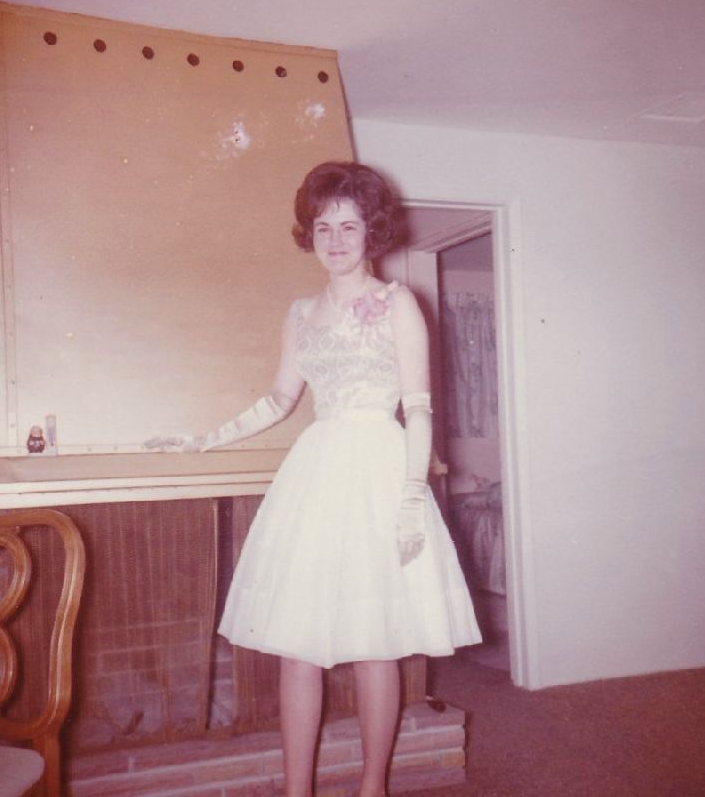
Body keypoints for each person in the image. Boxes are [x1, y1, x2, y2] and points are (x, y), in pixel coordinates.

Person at [147, 161, 482, 797]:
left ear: (371, 231)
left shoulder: (398, 304)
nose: (335, 239)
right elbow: (279, 400)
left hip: (379, 474)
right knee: (297, 645)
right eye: (323, 227)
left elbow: (418, 409)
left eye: (349, 226)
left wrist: (412, 499)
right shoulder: (300, 312)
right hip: (317, 475)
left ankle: (371, 788)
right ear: (310, 233)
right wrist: (203, 439)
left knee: (376, 644)